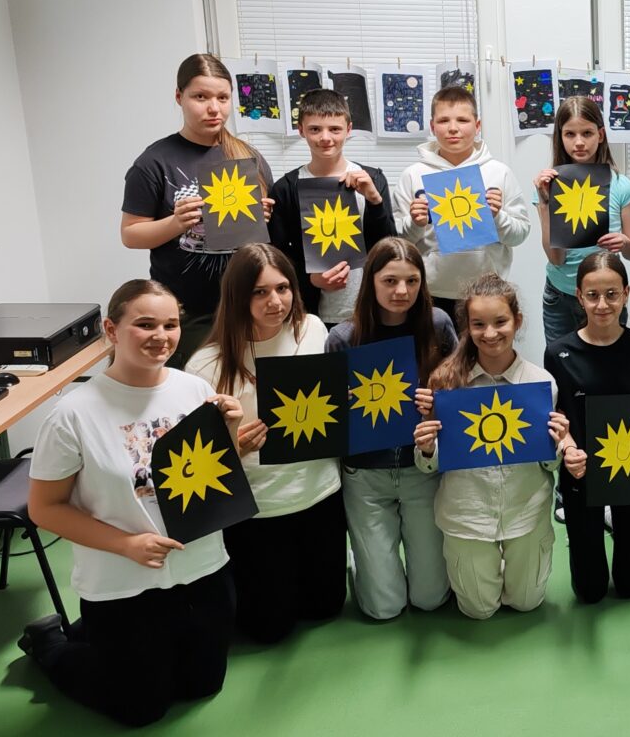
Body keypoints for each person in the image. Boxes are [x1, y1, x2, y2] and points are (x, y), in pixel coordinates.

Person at [21, 280, 242, 727]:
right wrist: (126, 544)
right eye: (145, 324)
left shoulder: (194, 390)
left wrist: (232, 431)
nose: (161, 336)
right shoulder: (73, 415)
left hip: (201, 567)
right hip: (124, 582)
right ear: (111, 330)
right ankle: (51, 644)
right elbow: (45, 509)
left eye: (171, 325)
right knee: (140, 709)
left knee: (203, 684)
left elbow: (214, 476)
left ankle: (104, 642)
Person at [186, 244, 342, 643]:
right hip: (258, 509)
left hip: (320, 494)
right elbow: (196, 464)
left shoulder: (313, 329)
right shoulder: (206, 365)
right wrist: (234, 448)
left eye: (283, 288)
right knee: (267, 628)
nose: (275, 302)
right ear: (238, 296)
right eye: (260, 292)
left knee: (326, 607)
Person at [413, 274, 570, 619]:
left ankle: (507, 565)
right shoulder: (445, 382)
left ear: (518, 321)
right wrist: (426, 447)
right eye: (478, 324)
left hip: (525, 510)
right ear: (467, 327)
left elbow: (549, 464)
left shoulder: (541, 383)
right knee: (478, 610)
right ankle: (479, 567)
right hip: (467, 513)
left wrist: (558, 444)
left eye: (500, 322)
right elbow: (430, 464)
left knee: (526, 602)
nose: (490, 333)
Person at [325, 237, 456, 620]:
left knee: (430, 598)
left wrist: (439, 400)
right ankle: (364, 564)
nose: (402, 291)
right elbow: (328, 420)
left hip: (422, 469)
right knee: (383, 607)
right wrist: (341, 404)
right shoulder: (342, 338)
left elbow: (460, 387)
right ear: (371, 282)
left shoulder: (438, 325)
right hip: (365, 474)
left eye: (412, 281)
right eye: (390, 281)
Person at [121, 53, 274, 367]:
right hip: (187, 312)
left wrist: (265, 219)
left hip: (247, 304)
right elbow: (131, 234)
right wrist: (176, 222)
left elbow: (267, 242)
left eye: (222, 98)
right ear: (179, 97)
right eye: (200, 97)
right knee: (194, 390)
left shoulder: (248, 157)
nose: (214, 108)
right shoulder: (154, 162)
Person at [544, 252, 630, 603]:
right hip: (583, 471)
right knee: (589, 591)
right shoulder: (557, 353)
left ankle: (629, 563)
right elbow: (558, 416)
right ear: (579, 296)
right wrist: (568, 449)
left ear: (626, 294)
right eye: (592, 295)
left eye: (611, 294)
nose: (602, 304)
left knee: (629, 586)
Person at [397, 86, 532, 317]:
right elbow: (398, 242)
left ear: (477, 126)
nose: (453, 128)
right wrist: (414, 224)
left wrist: (497, 217)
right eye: (443, 120)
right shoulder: (413, 175)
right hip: (430, 293)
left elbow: (519, 235)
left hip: (487, 293)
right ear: (432, 127)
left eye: (462, 120)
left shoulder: (499, 173)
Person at [269, 88, 396, 325]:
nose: (325, 138)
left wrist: (374, 200)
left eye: (335, 129)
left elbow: (390, 246)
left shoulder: (373, 179)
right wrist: (310, 279)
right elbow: (277, 257)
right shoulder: (285, 188)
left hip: (370, 309)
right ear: (301, 130)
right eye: (315, 129)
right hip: (312, 312)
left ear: (349, 129)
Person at [534, 95, 630, 344]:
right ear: (560, 137)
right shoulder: (548, 185)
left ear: (600, 135)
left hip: (606, 296)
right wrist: (545, 203)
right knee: (561, 363)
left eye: (587, 133)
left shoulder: (622, 185)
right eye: (570, 134)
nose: (579, 142)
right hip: (560, 294)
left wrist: (624, 242)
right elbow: (556, 258)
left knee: (609, 363)